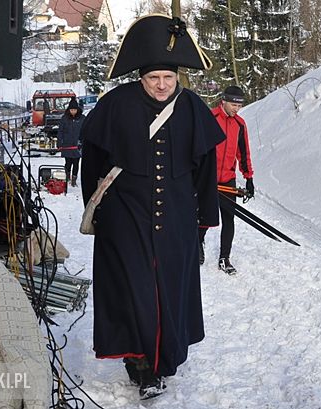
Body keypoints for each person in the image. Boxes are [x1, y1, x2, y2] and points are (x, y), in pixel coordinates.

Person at [79, 14, 225, 400]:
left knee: (168, 292)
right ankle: (143, 367)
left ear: (178, 77)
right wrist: (100, 210)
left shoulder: (192, 106)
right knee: (137, 291)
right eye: (153, 79)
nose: (162, 85)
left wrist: (203, 222)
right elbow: (92, 162)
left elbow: (206, 171)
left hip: (176, 218)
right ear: (140, 78)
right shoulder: (114, 105)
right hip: (126, 217)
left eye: (168, 78)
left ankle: (164, 360)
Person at [198, 85, 254, 275]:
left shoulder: (240, 124)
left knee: (229, 219)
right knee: (204, 215)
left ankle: (225, 258)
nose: (236, 108)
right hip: (208, 179)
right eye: (233, 104)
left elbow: (244, 152)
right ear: (223, 101)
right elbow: (198, 148)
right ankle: (198, 243)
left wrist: (249, 178)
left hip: (228, 179)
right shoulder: (210, 118)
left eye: (239, 105)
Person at [56, 98, 85, 186]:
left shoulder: (82, 118)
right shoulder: (64, 118)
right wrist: (59, 143)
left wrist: (84, 142)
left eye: (74, 110)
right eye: (71, 110)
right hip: (67, 145)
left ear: (77, 109)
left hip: (78, 145)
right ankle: (67, 177)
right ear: (69, 110)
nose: (73, 111)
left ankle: (74, 180)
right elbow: (60, 131)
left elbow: (86, 130)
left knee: (76, 163)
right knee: (68, 163)